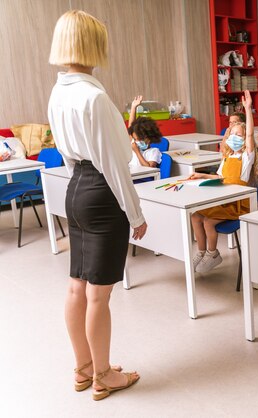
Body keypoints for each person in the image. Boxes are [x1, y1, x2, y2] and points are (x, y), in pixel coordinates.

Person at [48, 10, 144, 400]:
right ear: (92, 44)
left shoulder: (59, 91)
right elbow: (114, 164)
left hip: (76, 189)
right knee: (99, 294)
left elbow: (68, 154)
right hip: (102, 194)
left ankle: (84, 368)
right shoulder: (95, 96)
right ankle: (104, 374)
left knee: (77, 287)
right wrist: (135, 213)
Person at [189, 90, 258, 273]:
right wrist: (203, 176)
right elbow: (221, 178)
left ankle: (213, 254)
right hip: (223, 198)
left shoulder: (246, 157)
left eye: (240, 135)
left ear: (245, 139)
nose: (235, 138)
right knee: (195, 215)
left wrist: (248, 109)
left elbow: (251, 133)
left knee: (208, 222)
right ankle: (202, 251)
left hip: (237, 202)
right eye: (233, 135)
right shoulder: (228, 156)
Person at [127, 95, 162, 168]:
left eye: (138, 139)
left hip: (143, 179)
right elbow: (131, 127)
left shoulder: (153, 151)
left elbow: (149, 168)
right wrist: (133, 107)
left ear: (148, 139)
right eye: (134, 139)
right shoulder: (135, 144)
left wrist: (137, 152)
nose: (135, 141)